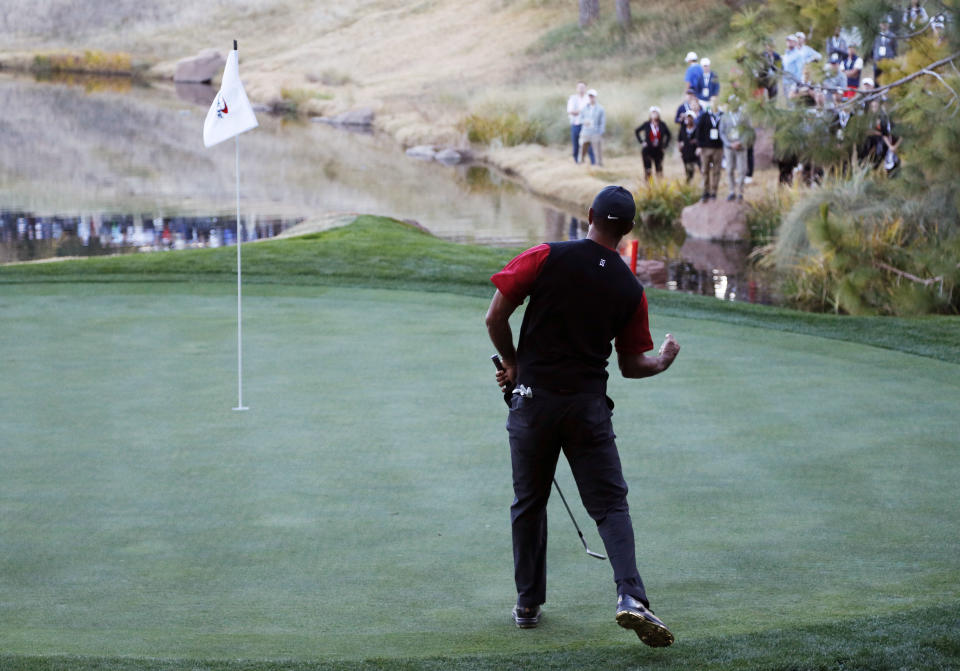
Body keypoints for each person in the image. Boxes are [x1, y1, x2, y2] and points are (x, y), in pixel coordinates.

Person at [485, 184, 681, 647]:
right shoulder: (630, 289)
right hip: (588, 410)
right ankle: (631, 598)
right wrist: (666, 360)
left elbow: (495, 318)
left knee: (529, 503)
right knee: (610, 506)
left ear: (588, 214)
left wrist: (514, 365)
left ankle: (528, 604)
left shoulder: (545, 255)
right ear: (629, 228)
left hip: (532, 404)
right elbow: (634, 366)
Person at [719, 96, 753, 201]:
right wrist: (729, 144)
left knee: (742, 170)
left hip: (741, 146)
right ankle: (731, 191)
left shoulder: (744, 116)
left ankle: (740, 192)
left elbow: (749, 131)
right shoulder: (724, 116)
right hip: (729, 147)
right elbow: (722, 132)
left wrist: (741, 142)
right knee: (729, 169)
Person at [696, 96, 724, 201]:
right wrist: (699, 145)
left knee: (717, 170)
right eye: (712, 101)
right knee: (705, 170)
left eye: (716, 101)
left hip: (718, 148)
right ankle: (705, 191)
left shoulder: (722, 116)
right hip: (705, 148)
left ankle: (714, 192)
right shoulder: (704, 116)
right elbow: (699, 131)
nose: (714, 103)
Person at [635, 107, 672, 181]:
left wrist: (665, 146)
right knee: (648, 169)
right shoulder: (647, 124)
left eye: (656, 113)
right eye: (653, 113)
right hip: (648, 149)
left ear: (658, 114)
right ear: (650, 114)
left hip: (659, 150)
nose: (654, 114)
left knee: (659, 169)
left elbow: (669, 135)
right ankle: (649, 186)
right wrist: (642, 142)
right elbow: (637, 131)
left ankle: (660, 187)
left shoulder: (662, 124)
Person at [579, 89, 605, 166]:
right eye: (589, 96)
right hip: (585, 132)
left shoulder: (600, 109)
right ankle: (581, 163)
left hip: (595, 133)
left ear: (595, 97)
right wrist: (584, 122)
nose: (591, 98)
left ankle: (599, 165)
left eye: (592, 96)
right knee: (582, 149)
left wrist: (600, 132)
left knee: (597, 151)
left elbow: (602, 122)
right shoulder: (584, 108)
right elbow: (580, 119)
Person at [567, 82, 590, 163]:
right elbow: (570, 111)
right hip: (575, 124)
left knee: (588, 144)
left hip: (586, 125)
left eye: (583, 87)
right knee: (576, 144)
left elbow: (591, 112)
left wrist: (578, 112)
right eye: (579, 87)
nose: (581, 89)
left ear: (586, 88)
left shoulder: (588, 98)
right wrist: (582, 111)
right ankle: (577, 161)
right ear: (577, 89)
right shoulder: (572, 98)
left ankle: (592, 162)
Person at [677, 110, 701, 183]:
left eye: (690, 118)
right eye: (687, 118)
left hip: (695, 153)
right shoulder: (683, 129)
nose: (688, 119)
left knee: (698, 168)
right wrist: (680, 147)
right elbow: (679, 139)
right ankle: (689, 183)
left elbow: (699, 139)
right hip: (686, 153)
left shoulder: (697, 129)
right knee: (688, 170)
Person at [872, 17, 897, 83]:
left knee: (888, 79)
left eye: (885, 24)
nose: (884, 25)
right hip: (878, 60)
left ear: (888, 25)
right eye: (882, 24)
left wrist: (892, 57)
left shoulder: (892, 36)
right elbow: (874, 47)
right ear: (880, 25)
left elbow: (895, 48)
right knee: (877, 80)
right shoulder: (877, 36)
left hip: (888, 60)